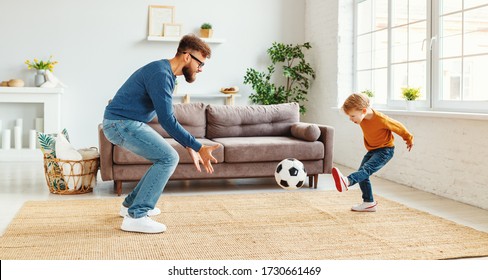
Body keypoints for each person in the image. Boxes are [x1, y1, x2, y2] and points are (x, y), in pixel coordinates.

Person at [102, 34, 221, 233]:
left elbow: (167, 117)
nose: (200, 69)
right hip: (120, 123)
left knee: (165, 157)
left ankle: (129, 206)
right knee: (168, 158)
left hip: (122, 122)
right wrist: (197, 146)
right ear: (186, 56)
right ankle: (137, 215)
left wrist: (188, 144)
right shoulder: (161, 74)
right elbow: (167, 120)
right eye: (200, 63)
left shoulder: (166, 74)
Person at [332, 93, 414, 212]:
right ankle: (369, 202)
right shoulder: (362, 117)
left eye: (352, 116)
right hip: (372, 150)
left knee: (365, 170)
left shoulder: (381, 119)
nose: (351, 119)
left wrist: (408, 138)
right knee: (363, 175)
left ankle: (347, 181)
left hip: (385, 150)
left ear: (364, 110)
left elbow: (398, 126)